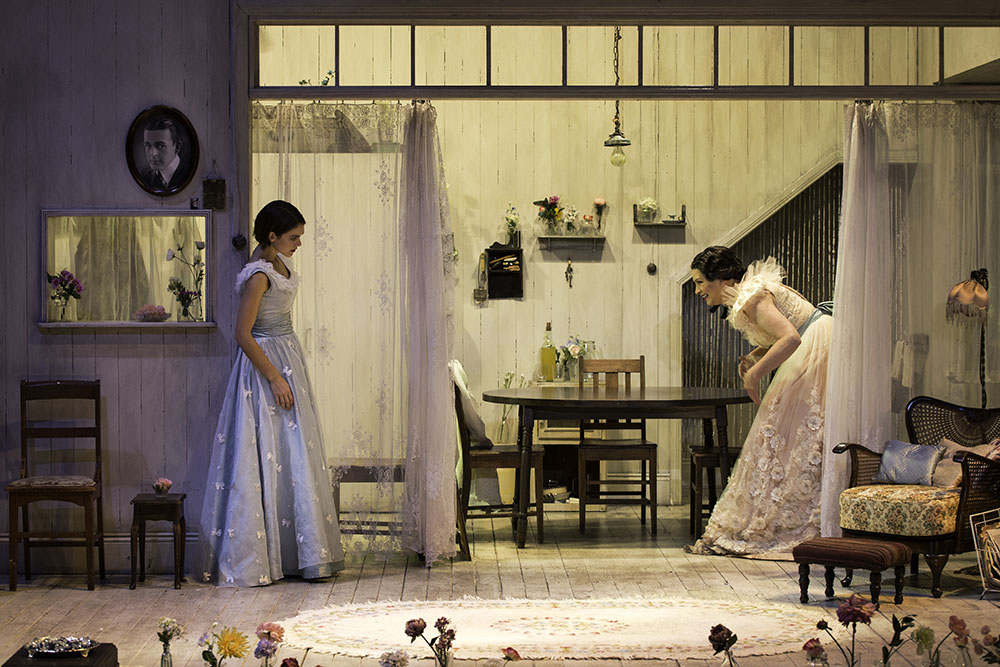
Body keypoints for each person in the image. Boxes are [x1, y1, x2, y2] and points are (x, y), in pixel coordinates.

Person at [197, 200, 344, 586]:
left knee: (290, 453)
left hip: (287, 354)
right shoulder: (259, 275)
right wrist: (275, 378)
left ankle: (298, 553)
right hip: (265, 366)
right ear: (273, 236)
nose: (298, 244)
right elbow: (242, 333)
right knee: (262, 453)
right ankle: (258, 557)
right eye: (293, 237)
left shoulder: (279, 264)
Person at [686, 246, 832, 556]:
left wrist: (755, 375)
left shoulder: (752, 296)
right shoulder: (749, 293)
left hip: (818, 348)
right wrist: (755, 356)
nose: (698, 290)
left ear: (721, 279)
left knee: (783, 431)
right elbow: (784, 333)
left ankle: (789, 521)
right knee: (789, 436)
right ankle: (786, 516)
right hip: (813, 341)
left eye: (700, 282)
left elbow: (792, 337)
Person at [140, 118, 187, 191]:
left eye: (160, 146)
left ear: (177, 147)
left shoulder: (187, 174)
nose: (153, 154)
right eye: (148, 145)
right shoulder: (146, 177)